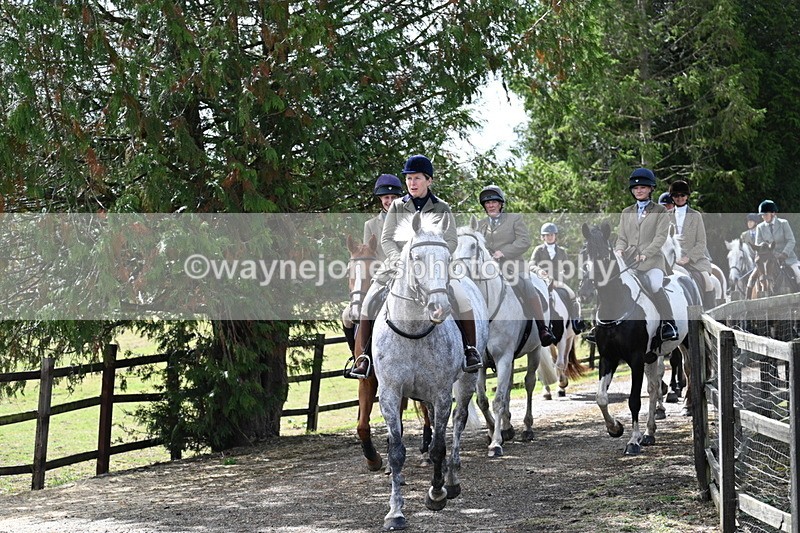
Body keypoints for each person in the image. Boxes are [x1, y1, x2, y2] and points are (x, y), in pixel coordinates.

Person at [349, 155, 483, 379]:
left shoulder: (442, 207)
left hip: (435, 267)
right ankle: (363, 357)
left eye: (417, 178)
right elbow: (386, 239)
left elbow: (451, 241)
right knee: (369, 298)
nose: (412, 183)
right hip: (399, 266)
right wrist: (400, 258)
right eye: (409, 178)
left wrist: (436, 258)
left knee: (462, 297)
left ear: (428, 180)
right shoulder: (397, 206)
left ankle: (470, 350)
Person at [476, 185, 555, 346]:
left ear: (500, 204)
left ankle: (543, 328)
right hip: (488, 269)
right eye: (487, 203)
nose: (490, 205)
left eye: (493, 202)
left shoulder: (514, 219)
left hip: (513, 266)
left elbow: (524, 241)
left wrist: (502, 252)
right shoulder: (480, 224)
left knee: (527, 285)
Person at [614, 167, 678, 361]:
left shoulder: (660, 212)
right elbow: (621, 237)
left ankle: (668, 324)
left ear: (651, 189)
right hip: (630, 263)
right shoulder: (626, 212)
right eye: (636, 188)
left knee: (654, 285)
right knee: (613, 287)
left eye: (643, 187)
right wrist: (619, 249)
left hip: (653, 262)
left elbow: (660, 238)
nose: (639, 190)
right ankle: (604, 327)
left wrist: (645, 254)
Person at [530, 222, 585, 333]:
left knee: (572, 295)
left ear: (555, 236)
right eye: (547, 235)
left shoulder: (561, 251)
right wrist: (539, 271)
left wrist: (562, 277)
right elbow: (531, 265)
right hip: (543, 281)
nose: (550, 237)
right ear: (543, 237)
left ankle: (575, 321)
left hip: (558, 282)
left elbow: (568, 268)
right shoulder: (538, 250)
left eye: (552, 235)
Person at [668, 180, 716, 308]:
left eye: (682, 195)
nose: (679, 198)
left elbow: (701, 242)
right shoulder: (666, 216)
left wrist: (687, 258)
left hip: (695, 261)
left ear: (687, 196)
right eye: (676, 196)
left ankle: (710, 315)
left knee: (707, 282)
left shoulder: (696, 216)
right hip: (672, 259)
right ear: (672, 197)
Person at [751, 199, 800, 286]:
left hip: (787, 258)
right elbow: (758, 246)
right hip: (768, 260)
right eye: (762, 215)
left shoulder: (783, 223)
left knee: (798, 274)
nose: (763, 217)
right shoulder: (760, 227)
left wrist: (784, 254)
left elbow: (791, 240)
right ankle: (748, 295)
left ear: (773, 213)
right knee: (751, 279)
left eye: (766, 214)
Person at [363, 174, 404, 262]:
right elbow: (368, 256)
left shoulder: (408, 219)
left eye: (394, 197)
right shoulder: (370, 225)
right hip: (383, 271)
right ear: (380, 199)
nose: (390, 201)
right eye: (386, 197)